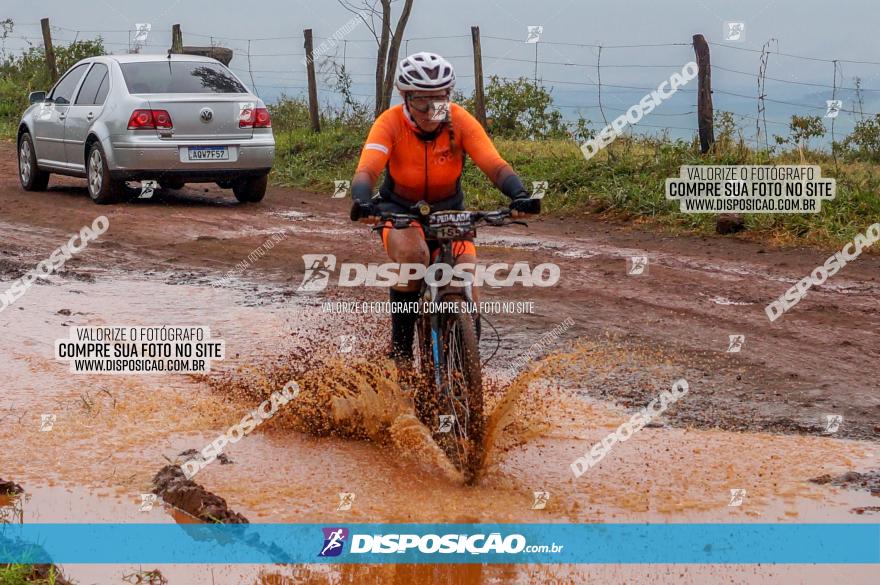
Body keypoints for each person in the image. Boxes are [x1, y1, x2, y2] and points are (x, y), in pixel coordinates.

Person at [349, 52, 540, 362]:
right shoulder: (390, 123)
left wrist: (519, 195)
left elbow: (493, 163)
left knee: (465, 280)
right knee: (415, 258)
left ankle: (465, 367)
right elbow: (368, 169)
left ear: (448, 97)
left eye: (438, 101)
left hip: (450, 212)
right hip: (399, 212)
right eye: (421, 102)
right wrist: (362, 199)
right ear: (405, 96)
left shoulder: (459, 120)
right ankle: (401, 354)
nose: (431, 111)